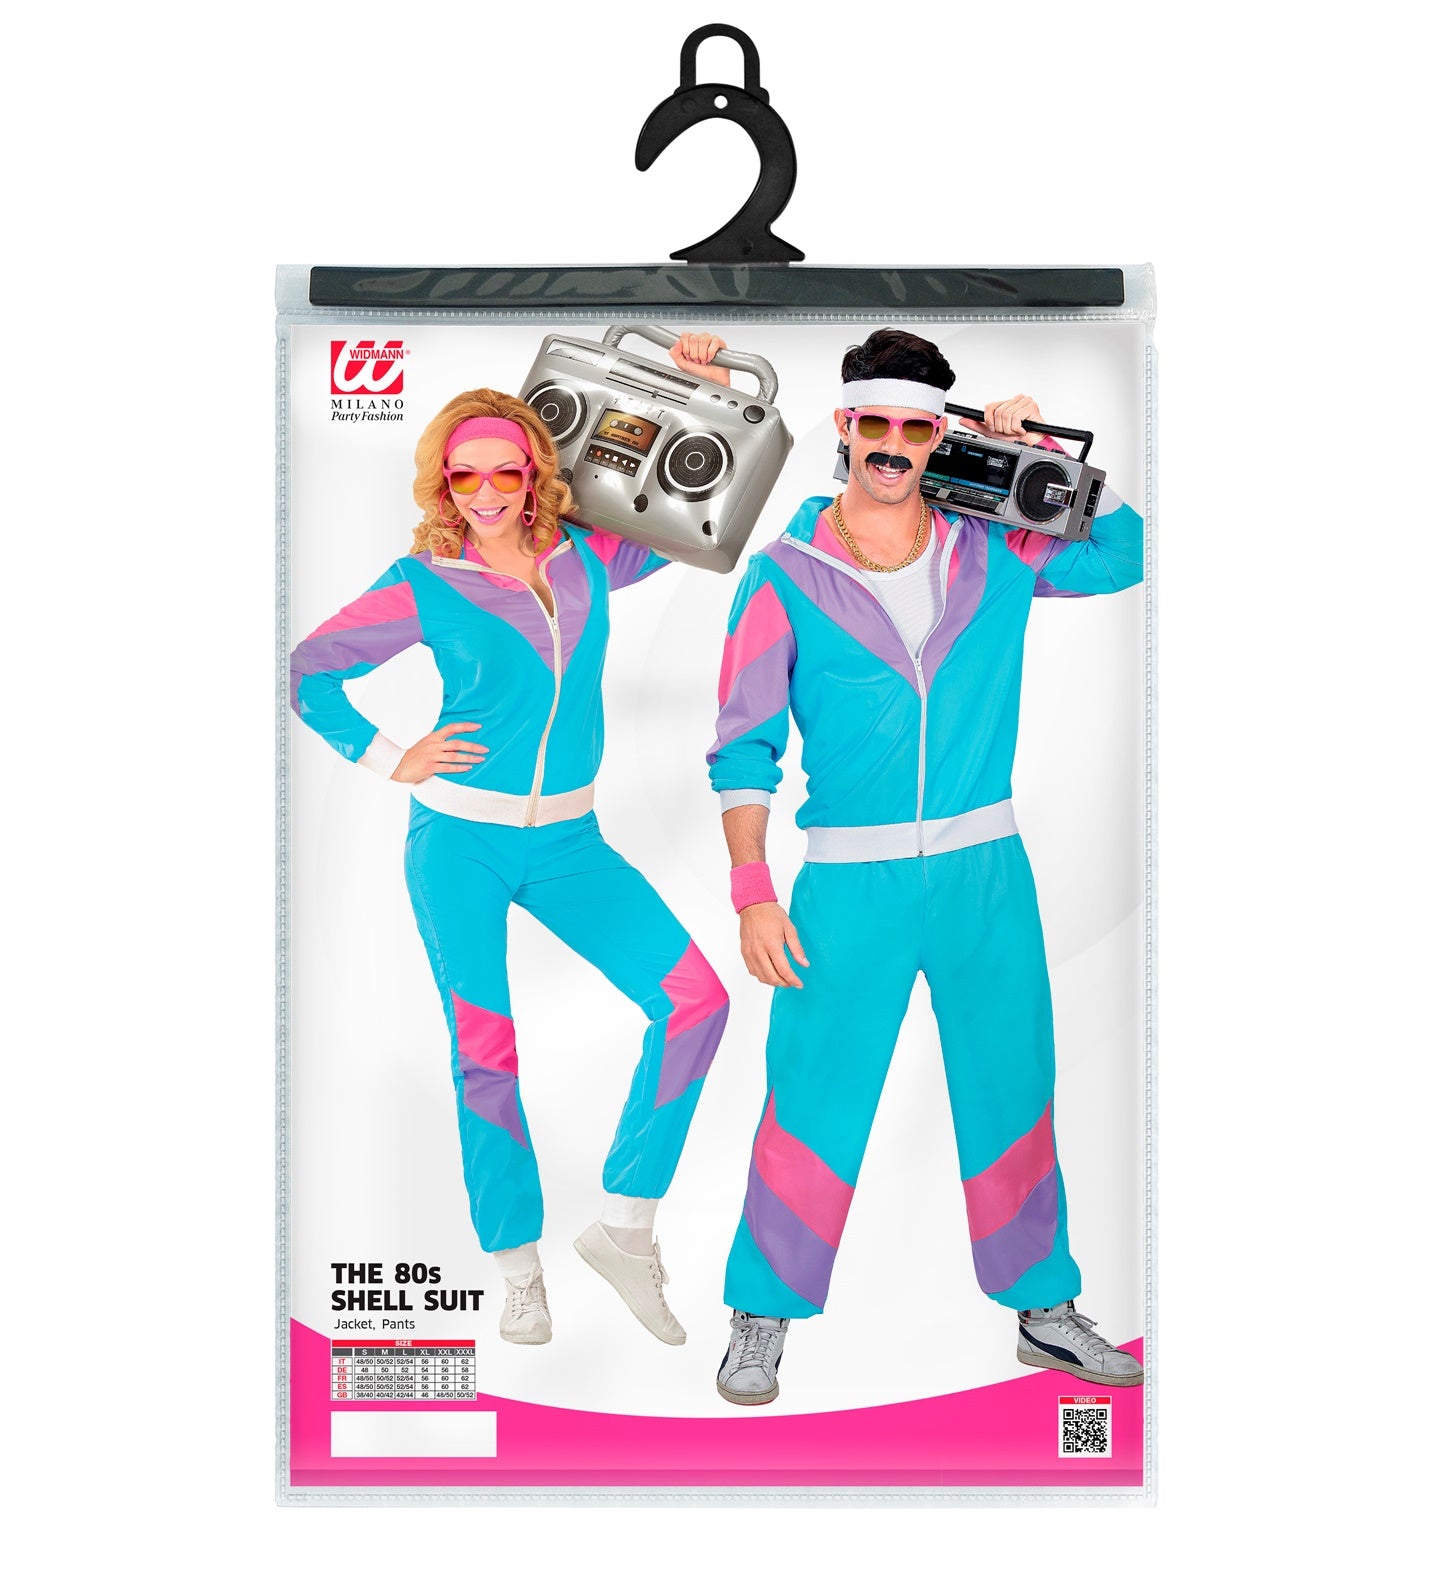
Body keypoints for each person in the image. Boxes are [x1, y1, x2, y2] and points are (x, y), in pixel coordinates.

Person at [701, 328, 1145, 1404]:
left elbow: (1125, 552)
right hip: (845, 887)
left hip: (984, 873)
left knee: (1011, 1085)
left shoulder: (996, 550)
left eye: (914, 427)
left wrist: (1042, 456)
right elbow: (742, 747)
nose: (892, 446)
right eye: (875, 425)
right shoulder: (782, 578)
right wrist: (752, 891)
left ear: (937, 435)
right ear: (845, 427)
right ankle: (762, 1313)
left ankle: (1043, 1310)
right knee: (812, 1097)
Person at [290, 363, 733, 1348]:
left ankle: (626, 1230)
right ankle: (517, 1273)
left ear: (536, 473)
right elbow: (309, 671)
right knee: (485, 1052)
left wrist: (689, 384)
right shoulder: (421, 583)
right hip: (458, 845)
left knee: (696, 1003)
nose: (485, 493)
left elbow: (700, 498)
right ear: (442, 485)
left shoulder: (591, 557)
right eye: (464, 477)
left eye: (505, 472)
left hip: (573, 843)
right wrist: (389, 755)